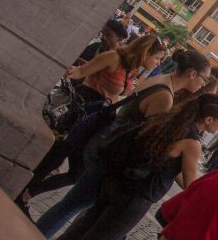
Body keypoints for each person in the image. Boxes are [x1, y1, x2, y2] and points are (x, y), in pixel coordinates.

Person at [31, 47, 209, 240]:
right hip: (111, 155)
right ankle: (36, 238)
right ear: (192, 73)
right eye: (204, 78)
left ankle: (37, 235)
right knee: (72, 205)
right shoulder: (165, 96)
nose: (203, 84)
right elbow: (145, 138)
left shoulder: (161, 81)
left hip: (106, 145)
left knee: (72, 203)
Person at [52, 93, 218, 240]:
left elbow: (168, 165)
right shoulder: (192, 143)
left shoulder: (173, 121)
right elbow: (192, 185)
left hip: (119, 181)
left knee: (81, 228)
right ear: (208, 119)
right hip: (138, 197)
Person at [19, 34, 169, 211]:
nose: (158, 63)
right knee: (56, 156)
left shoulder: (133, 69)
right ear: (146, 53)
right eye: (157, 58)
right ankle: (22, 193)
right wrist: (69, 72)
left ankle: (28, 192)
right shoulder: (113, 57)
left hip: (99, 120)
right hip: (84, 112)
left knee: (76, 172)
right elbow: (81, 72)